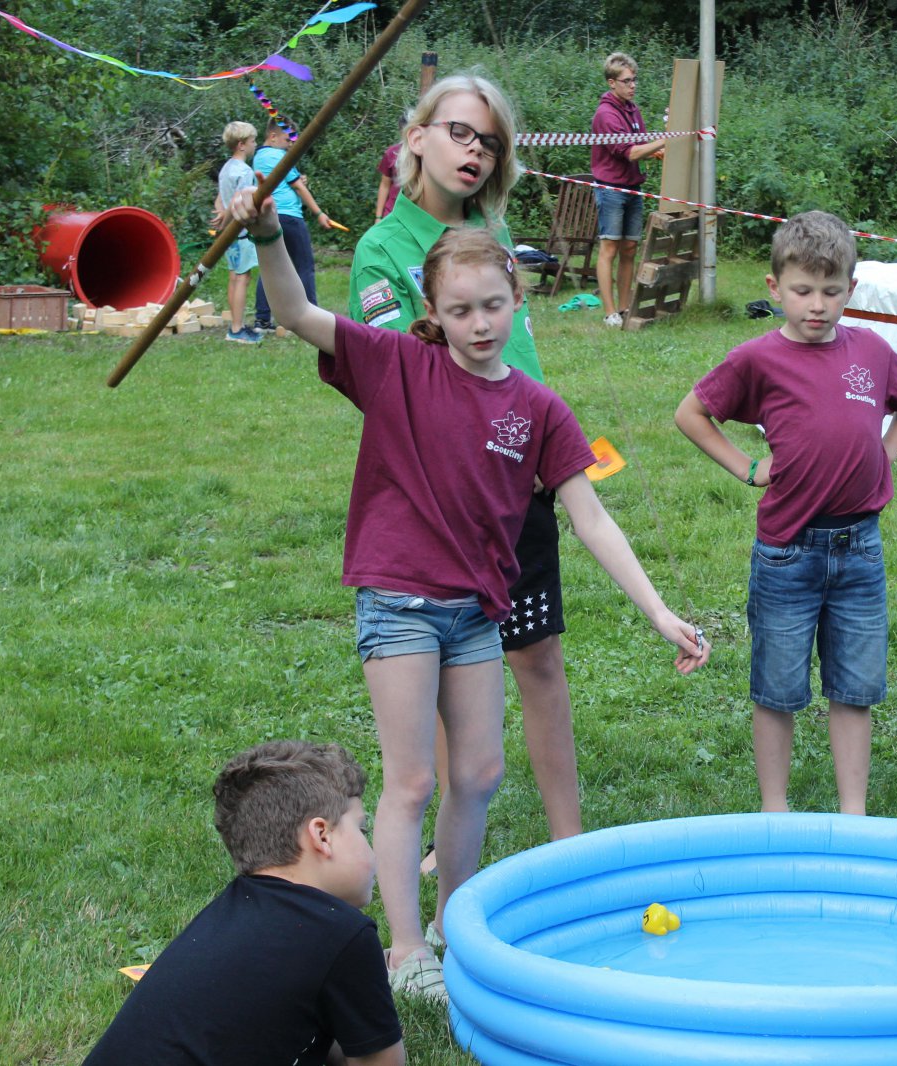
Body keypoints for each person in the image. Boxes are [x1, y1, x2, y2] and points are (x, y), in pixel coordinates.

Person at [229, 189, 711, 1003]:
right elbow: (298, 312)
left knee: (480, 773)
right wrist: (271, 234)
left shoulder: (538, 408)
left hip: (478, 610)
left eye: (492, 305)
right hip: (402, 601)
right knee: (413, 781)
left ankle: (452, 922)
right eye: (460, 311)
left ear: (518, 299)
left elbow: (591, 519)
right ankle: (405, 950)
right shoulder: (397, 366)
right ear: (433, 312)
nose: (480, 323)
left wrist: (659, 611)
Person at [351, 74, 588, 868]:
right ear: (415, 138)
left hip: (520, 483)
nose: (475, 152)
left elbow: (520, 362)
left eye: (489, 141)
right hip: (439, 499)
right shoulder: (382, 250)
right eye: (459, 132)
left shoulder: (495, 232)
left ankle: (569, 840)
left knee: (537, 655)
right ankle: (446, 842)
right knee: (448, 665)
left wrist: (545, 450)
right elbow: (399, 378)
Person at [675, 211, 897, 816]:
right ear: (774, 287)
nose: (817, 305)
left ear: (851, 289)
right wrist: (747, 468)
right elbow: (691, 413)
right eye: (803, 290)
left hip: (860, 550)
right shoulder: (757, 359)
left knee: (855, 687)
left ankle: (853, 813)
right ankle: (775, 809)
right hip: (787, 554)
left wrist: (884, 456)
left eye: (832, 291)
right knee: (778, 688)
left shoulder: (871, 351)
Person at [82, 741, 403, 1066]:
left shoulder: (227, 916)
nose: (369, 847)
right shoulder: (343, 934)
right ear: (322, 835)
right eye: (361, 829)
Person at [590, 52, 669, 327]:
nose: (632, 85)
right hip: (611, 189)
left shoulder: (633, 110)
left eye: (634, 80)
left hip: (633, 187)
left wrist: (655, 151)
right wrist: (664, 140)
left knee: (630, 248)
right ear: (612, 82)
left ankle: (625, 308)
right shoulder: (605, 114)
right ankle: (610, 312)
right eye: (626, 81)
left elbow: (640, 147)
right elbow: (630, 152)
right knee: (609, 248)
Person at [253, 120, 334, 332]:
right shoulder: (280, 156)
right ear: (272, 137)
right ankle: (314, 317)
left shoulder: (259, 157)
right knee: (304, 266)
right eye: (287, 139)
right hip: (290, 217)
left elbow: (286, 181)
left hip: (270, 217)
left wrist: (298, 179)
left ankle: (262, 319)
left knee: (270, 267)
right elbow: (298, 187)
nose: (290, 145)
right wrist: (319, 213)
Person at [216, 121, 265, 344]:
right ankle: (237, 329)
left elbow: (220, 198)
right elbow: (238, 199)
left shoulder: (226, 168)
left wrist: (221, 215)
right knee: (243, 278)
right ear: (241, 145)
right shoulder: (244, 171)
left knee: (233, 276)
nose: (255, 144)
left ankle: (235, 325)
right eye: (253, 141)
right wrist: (226, 221)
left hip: (229, 234)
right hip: (240, 232)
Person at [374, 139, 400, 220]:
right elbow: (385, 185)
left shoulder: (428, 153)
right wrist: (378, 217)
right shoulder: (392, 152)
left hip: (418, 215)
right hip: (392, 213)